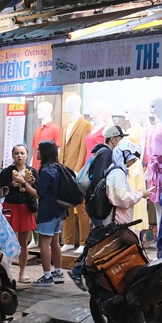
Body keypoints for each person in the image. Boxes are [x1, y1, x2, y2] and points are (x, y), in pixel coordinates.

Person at [0, 144, 37, 283]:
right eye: (16, 153)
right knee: (6, 240)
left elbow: (38, 191)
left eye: (22, 153)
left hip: (26, 207)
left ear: (27, 155)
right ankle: (6, 273)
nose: (19, 156)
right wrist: (11, 185)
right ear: (12, 156)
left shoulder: (32, 171)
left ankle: (22, 272)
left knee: (23, 242)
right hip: (10, 207)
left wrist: (31, 184)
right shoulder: (6, 172)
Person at [32, 140, 68, 287]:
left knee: (44, 243)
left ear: (45, 152)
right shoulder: (58, 168)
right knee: (55, 242)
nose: (37, 152)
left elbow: (39, 194)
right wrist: (34, 182)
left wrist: (24, 183)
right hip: (60, 211)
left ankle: (47, 276)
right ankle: (58, 272)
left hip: (48, 211)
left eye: (39, 150)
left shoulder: (46, 170)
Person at [60, 94, 91, 252]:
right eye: (66, 101)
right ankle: (68, 241)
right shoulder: (65, 125)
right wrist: (60, 167)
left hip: (76, 171)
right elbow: (62, 149)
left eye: (70, 102)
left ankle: (84, 242)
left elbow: (83, 150)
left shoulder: (85, 125)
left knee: (81, 207)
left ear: (78, 104)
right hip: (64, 169)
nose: (67, 104)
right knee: (66, 207)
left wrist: (78, 170)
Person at [87, 124, 125, 229]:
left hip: (96, 201)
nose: (121, 143)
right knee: (101, 233)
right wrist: (107, 195)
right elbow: (97, 179)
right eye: (120, 139)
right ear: (112, 139)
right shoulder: (105, 154)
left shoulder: (105, 152)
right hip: (97, 203)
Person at [106, 140, 152, 224]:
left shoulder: (115, 170)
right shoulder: (118, 174)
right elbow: (124, 199)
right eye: (133, 158)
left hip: (118, 221)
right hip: (119, 223)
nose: (134, 161)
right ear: (125, 156)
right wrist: (141, 194)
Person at [30, 101, 61, 170]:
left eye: (40, 109)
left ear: (48, 111)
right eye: (38, 109)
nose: (38, 112)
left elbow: (58, 151)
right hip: (35, 168)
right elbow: (34, 151)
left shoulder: (55, 129)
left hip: (47, 168)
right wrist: (31, 165)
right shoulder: (37, 130)